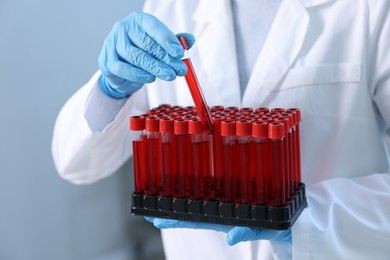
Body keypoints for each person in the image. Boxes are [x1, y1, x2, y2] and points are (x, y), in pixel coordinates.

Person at [52, 0, 390, 259]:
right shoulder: (172, 7)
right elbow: (75, 163)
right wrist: (111, 90)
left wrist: (311, 220)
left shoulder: (368, 8)